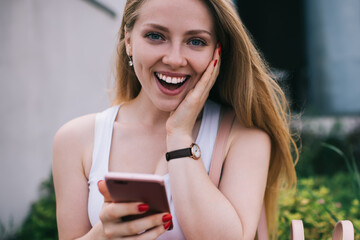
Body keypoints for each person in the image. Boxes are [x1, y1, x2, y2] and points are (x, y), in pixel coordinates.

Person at [53, 0, 298, 239]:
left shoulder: (244, 137)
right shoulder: (76, 139)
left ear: (217, 52)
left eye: (196, 41)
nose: (174, 59)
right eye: (156, 36)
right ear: (128, 41)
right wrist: (102, 236)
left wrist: (179, 136)